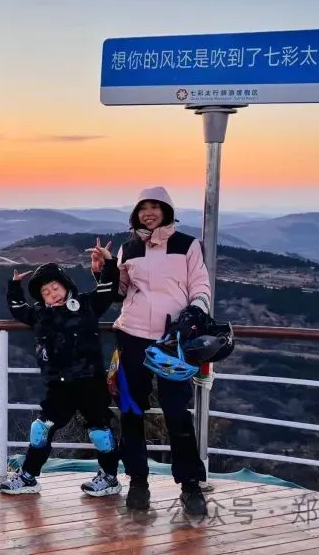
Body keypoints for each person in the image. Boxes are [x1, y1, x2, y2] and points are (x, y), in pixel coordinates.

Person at [92, 186, 211, 516]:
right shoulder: (129, 248)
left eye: (155, 206)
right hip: (131, 337)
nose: (149, 212)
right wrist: (103, 269)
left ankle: (190, 485)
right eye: (143, 207)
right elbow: (120, 292)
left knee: (177, 412)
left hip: (172, 340)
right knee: (131, 410)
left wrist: (195, 313)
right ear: (136, 213)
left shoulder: (187, 245)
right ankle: (137, 481)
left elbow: (200, 286)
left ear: (167, 211)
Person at [0, 245, 125, 497]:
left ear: (66, 285)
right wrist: (14, 285)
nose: (52, 294)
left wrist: (109, 263)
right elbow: (17, 307)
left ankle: (109, 478)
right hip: (58, 385)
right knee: (40, 429)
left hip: (90, 381)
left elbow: (109, 289)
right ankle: (28, 476)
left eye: (55, 287)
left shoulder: (87, 304)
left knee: (100, 430)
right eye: (45, 292)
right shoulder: (39, 315)